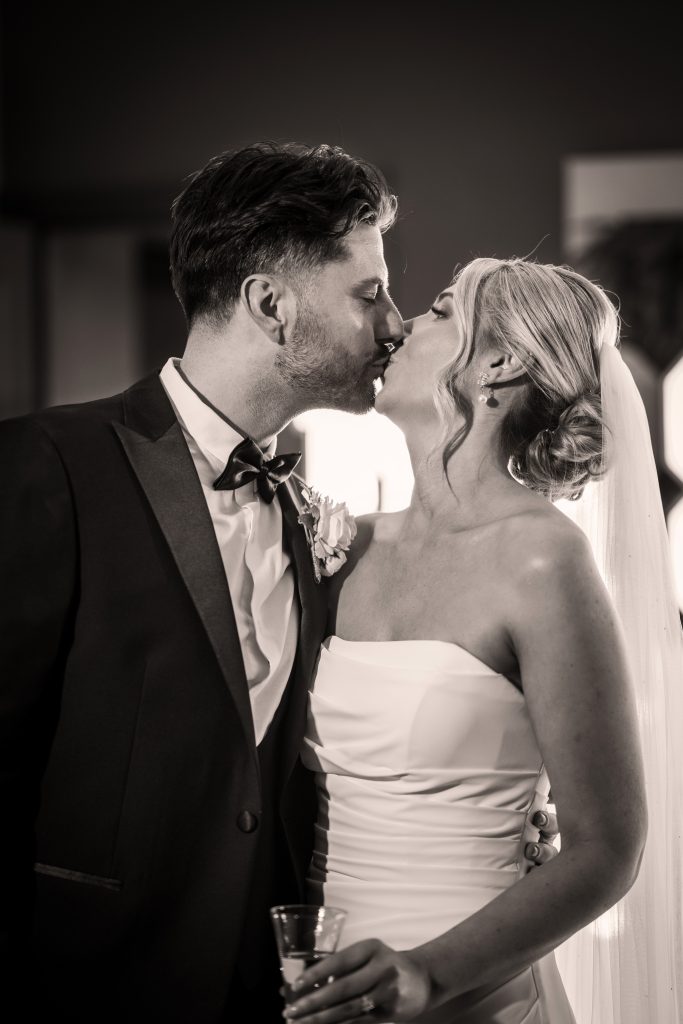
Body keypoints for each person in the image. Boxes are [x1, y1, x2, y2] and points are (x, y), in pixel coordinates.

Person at [0, 145, 557, 1022]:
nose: (394, 326)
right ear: (271, 305)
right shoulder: (45, 468)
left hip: (287, 990)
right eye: (368, 295)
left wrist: (493, 804)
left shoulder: (328, 522)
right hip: (87, 983)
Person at [285, 257, 683, 1023]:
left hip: (465, 992)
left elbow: (607, 848)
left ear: (497, 363)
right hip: (322, 989)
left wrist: (425, 974)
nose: (399, 326)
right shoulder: (345, 546)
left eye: (437, 311)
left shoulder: (539, 558)